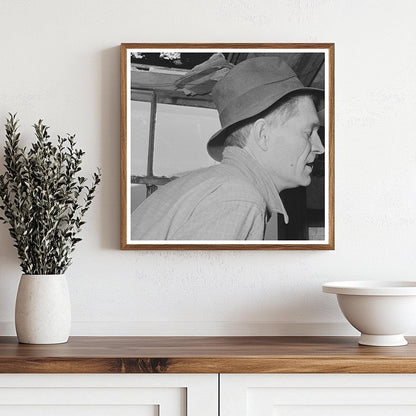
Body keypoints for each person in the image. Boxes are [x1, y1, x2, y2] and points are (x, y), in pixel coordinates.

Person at [131, 56, 325, 240]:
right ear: (262, 135)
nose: (320, 148)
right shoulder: (238, 197)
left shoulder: (217, 185)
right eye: (308, 133)